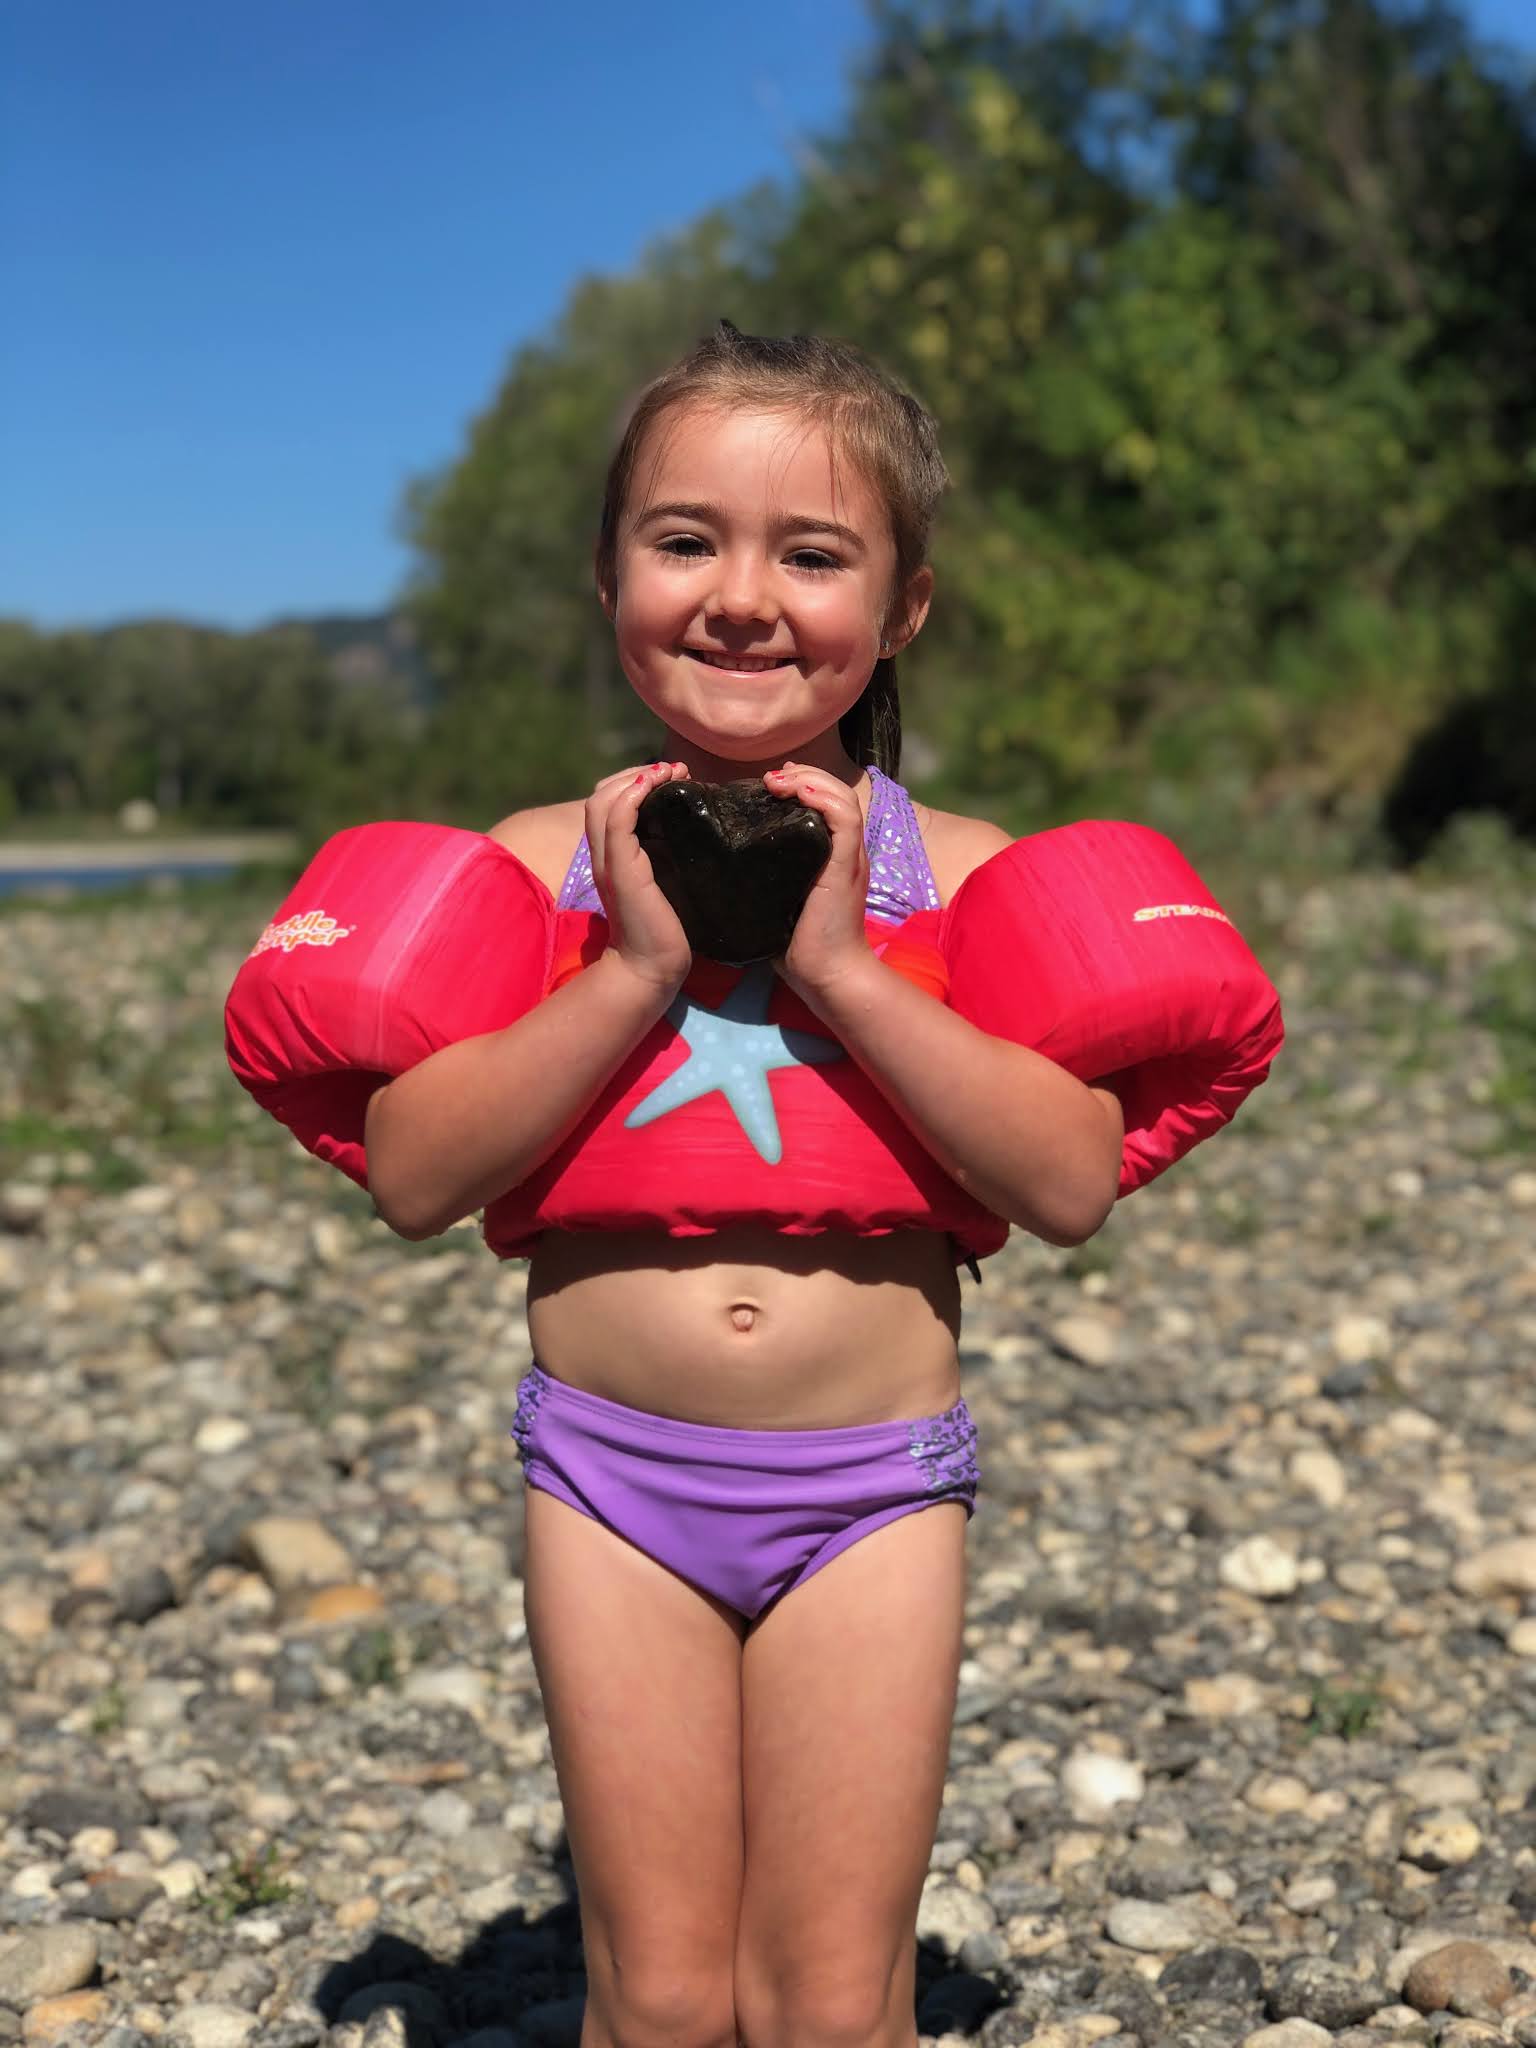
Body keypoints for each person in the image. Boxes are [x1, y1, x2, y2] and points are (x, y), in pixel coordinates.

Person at [362, 324, 1125, 2048]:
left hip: (872, 1491)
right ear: (609, 574)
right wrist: (634, 968)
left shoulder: (965, 876)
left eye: (813, 555)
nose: (742, 598)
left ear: (903, 609)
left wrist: (845, 966)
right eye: (686, 539)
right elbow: (413, 1174)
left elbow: (1069, 1181)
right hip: (610, 1478)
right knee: (659, 1996)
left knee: (832, 2004)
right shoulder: (530, 867)